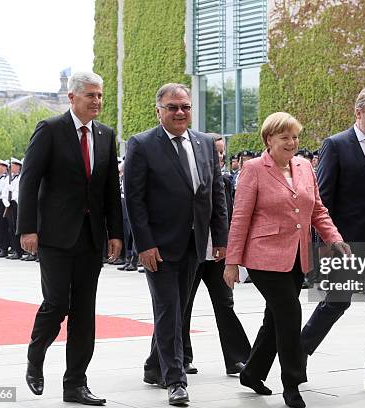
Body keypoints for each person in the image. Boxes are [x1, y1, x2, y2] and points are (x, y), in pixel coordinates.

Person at [224, 112, 348, 408]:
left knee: (275, 318)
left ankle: (252, 373)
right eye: (285, 138)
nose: (292, 143)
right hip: (263, 257)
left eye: (295, 137)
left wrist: (334, 238)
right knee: (290, 314)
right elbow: (240, 217)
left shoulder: (305, 167)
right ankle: (292, 384)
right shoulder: (253, 169)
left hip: (296, 257)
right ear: (269, 140)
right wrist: (232, 262)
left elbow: (317, 209)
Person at [18, 71, 123, 406]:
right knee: (57, 304)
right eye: (90, 95)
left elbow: (109, 190)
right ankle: (36, 355)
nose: (97, 101)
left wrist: (116, 233)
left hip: (92, 238)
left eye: (100, 96)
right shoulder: (50, 129)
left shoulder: (106, 136)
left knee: (84, 312)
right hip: (55, 237)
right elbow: (29, 180)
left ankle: (75, 384)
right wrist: (27, 228)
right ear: (72, 97)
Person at [124, 83, 228, 406]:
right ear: (159, 112)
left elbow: (215, 194)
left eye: (185, 106)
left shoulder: (205, 144)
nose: (180, 112)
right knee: (169, 309)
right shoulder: (142, 145)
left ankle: (154, 366)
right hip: (159, 246)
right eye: (172, 107)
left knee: (177, 309)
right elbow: (135, 200)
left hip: (195, 244)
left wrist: (220, 238)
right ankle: (176, 379)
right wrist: (144, 244)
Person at [300, 87, 365, 395]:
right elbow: (323, 200)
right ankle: (297, 354)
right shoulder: (336, 145)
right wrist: (325, 245)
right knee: (337, 303)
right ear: (358, 114)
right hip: (343, 242)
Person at [181, 134, 251, 377]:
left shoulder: (224, 181)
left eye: (222, 152)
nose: (219, 157)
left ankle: (237, 359)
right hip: (192, 249)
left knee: (225, 303)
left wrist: (229, 249)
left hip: (217, 253)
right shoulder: (190, 177)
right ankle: (179, 358)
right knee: (182, 305)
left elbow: (228, 217)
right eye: (216, 152)